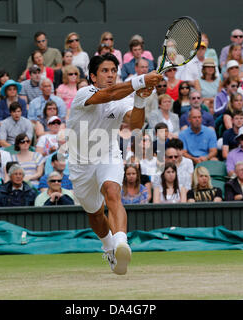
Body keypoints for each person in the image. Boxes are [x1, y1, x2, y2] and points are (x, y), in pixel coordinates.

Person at [66, 52, 162, 275]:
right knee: (95, 214)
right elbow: (108, 94)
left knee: (113, 192)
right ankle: (109, 248)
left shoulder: (123, 98)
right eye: (104, 71)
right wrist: (141, 81)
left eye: (113, 71)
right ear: (93, 77)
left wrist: (140, 99)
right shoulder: (84, 93)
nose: (110, 75)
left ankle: (121, 244)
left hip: (107, 154)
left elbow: (136, 126)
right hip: (80, 163)